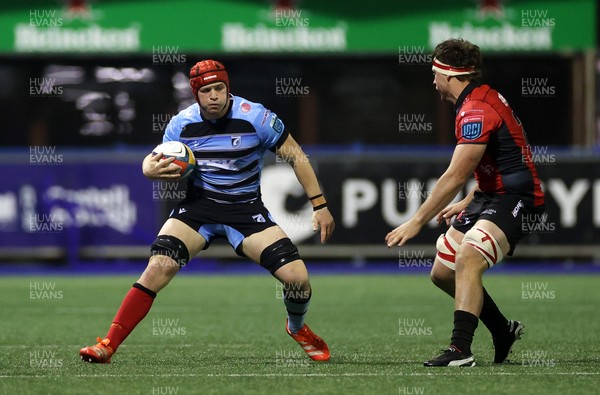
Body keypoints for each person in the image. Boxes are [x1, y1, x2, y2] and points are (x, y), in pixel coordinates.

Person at [80, 59, 335, 363]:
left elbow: (297, 157)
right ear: (195, 94)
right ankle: (108, 344)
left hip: (245, 211)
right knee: (158, 266)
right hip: (198, 208)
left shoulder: (256, 117)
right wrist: (148, 169)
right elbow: (155, 160)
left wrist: (320, 206)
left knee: (297, 278)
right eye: (206, 90)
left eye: (219, 88)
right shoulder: (181, 124)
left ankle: (296, 327)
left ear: (228, 88)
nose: (214, 95)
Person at [385, 38, 545, 367]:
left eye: (434, 73)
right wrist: (470, 199)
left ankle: (461, 350)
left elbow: (456, 174)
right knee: (442, 272)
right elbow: (497, 160)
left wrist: (416, 222)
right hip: (491, 194)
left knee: (470, 254)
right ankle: (503, 331)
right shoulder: (475, 99)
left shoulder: (476, 109)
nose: (432, 80)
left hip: (518, 197)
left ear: (449, 74)